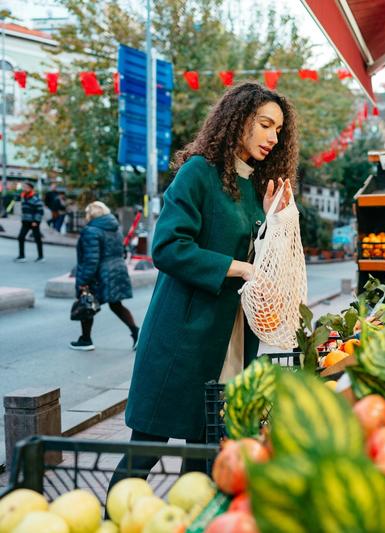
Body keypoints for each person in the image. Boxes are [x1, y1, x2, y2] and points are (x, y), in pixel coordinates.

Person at [109, 82, 298, 486]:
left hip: (230, 339)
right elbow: (168, 247)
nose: (273, 137)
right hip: (183, 337)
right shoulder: (200, 172)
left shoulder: (254, 185)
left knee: (206, 451)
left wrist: (270, 219)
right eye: (265, 124)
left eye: (278, 129)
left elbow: (260, 259)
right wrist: (238, 268)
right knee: (146, 448)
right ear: (238, 120)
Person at [71, 201, 139, 351]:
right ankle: (136, 332)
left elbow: (91, 259)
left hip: (100, 274)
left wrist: (84, 280)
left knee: (86, 303)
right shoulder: (115, 228)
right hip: (116, 269)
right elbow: (121, 250)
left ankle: (86, 340)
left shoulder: (91, 230)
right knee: (116, 305)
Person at [14, 181, 45, 263]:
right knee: (21, 237)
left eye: (26, 187)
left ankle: (41, 257)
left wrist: (36, 221)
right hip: (25, 221)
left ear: (31, 188)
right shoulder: (24, 197)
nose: (24, 188)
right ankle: (22, 256)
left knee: (37, 239)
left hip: (34, 222)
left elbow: (40, 211)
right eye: (23, 187)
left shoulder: (35, 198)